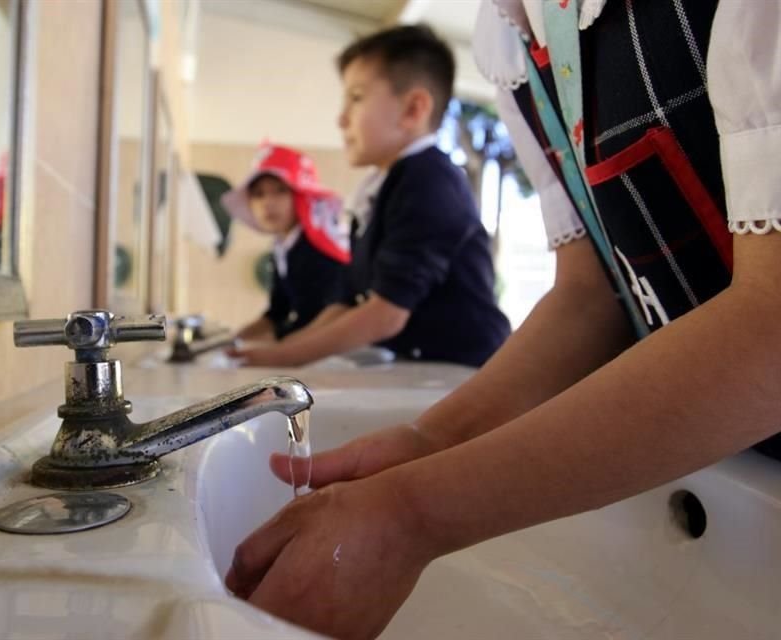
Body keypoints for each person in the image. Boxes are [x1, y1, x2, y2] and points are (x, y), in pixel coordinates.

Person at [224, 2, 781, 639]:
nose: (339, 116)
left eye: (353, 97)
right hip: (723, 468)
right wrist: (429, 442)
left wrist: (416, 509)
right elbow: (591, 293)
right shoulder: (516, 35)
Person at [230, 25, 510, 368]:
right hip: (423, 367)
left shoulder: (429, 181)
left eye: (357, 97)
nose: (341, 118)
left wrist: (281, 357)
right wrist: (283, 352)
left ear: (413, 110)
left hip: (467, 370)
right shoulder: (383, 188)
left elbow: (386, 314)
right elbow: (345, 304)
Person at [221, 143, 349, 343]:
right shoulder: (282, 247)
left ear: (301, 196)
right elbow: (277, 312)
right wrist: (229, 340)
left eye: (280, 191)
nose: (267, 203)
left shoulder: (318, 249)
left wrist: (261, 348)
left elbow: (315, 321)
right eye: (258, 194)